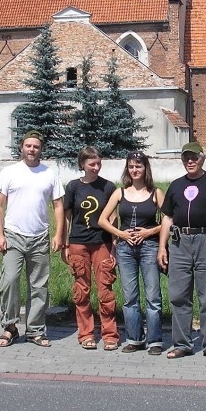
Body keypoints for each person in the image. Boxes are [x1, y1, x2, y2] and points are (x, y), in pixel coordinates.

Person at [157, 141, 206, 361]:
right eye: (185, 158)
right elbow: (168, 217)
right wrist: (162, 247)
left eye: (194, 157)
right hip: (179, 243)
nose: (190, 161)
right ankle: (182, 344)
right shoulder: (175, 185)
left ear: (202, 158)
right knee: (179, 295)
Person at [0, 130, 65, 348]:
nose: (32, 149)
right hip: (13, 236)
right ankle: (10, 327)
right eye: (28, 146)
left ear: (41, 149)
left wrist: (59, 234)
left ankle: (35, 330)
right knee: (10, 281)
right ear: (22, 148)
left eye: (36, 146)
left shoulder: (49, 174)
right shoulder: (9, 172)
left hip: (39, 237)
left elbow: (59, 206)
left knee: (39, 286)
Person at [100, 151, 166, 355]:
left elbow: (169, 221)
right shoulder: (120, 193)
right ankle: (134, 338)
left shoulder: (156, 193)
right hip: (125, 249)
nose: (135, 170)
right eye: (131, 166)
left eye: (138, 166)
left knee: (153, 296)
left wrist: (150, 231)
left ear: (145, 168)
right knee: (130, 297)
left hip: (149, 247)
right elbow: (102, 220)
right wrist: (120, 234)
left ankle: (154, 340)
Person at [63, 146, 119, 351]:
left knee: (105, 290)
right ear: (82, 165)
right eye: (91, 164)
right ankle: (86, 333)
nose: (96, 167)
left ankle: (110, 334)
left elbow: (113, 218)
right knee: (81, 290)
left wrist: (114, 245)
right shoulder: (73, 187)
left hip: (102, 243)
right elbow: (66, 217)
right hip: (78, 243)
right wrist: (64, 243)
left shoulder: (108, 187)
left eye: (98, 164)